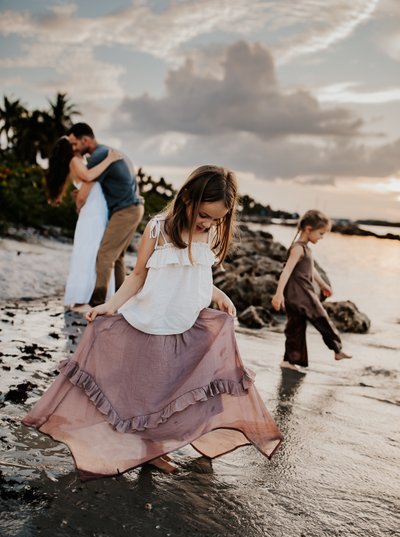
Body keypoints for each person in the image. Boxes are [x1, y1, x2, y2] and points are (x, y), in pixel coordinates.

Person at [22, 165, 282, 478]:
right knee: (149, 395)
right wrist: (111, 305)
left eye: (216, 219)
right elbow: (139, 275)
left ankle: (158, 448)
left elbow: (195, 274)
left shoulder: (209, 234)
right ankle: (148, 451)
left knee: (179, 394)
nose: (208, 223)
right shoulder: (158, 229)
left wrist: (218, 294)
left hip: (188, 327)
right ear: (186, 197)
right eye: (204, 215)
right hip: (150, 326)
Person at [67, 123, 144, 310]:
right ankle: (121, 303)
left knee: (105, 255)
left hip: (125, 210)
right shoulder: (109, 152)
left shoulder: (99, 156)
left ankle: (98, 303)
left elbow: (84, 191)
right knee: (116, 257)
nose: (74, 149)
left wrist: (79, 207)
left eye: (75, 144)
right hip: (133, 208)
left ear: (85, 140)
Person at [46, 137, 122, 312]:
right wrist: (109, 160)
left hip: (97, 210)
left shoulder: (79, 160)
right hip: (92, 212)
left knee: (94, 251)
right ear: (68, 149)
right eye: (71, 143)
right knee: (89, 252)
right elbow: (89, 177)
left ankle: (92, 297)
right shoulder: (74, 160)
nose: (76, 144)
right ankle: (83, 299)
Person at [271, 209, 352, 370]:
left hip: (295, 296)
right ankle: (337, 349)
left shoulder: (305, 249)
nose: (321, 237)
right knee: (321, 317)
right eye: (321, 233)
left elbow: (312, 270)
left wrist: (322, 284)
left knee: (295, 327)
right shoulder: (298, 248)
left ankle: (289, 360)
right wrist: (278, 294)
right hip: (302, 294)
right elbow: (286, 270)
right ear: (309, 229)